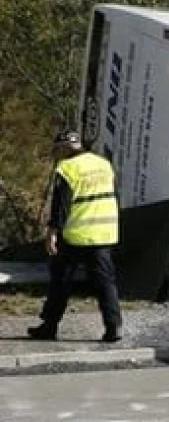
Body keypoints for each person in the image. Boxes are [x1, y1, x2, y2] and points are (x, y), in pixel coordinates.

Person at [28, 130, 123, 343]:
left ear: (64, 148)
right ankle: (113, 327)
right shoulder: (103, 164)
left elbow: (60, 206)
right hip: (104, 233)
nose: (57, 155)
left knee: (60, 281)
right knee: (105, 282)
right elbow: (115, 196)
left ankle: (49, 326)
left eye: (57, 150)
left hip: (75, 235)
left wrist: (52, 232)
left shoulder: (67, 168)